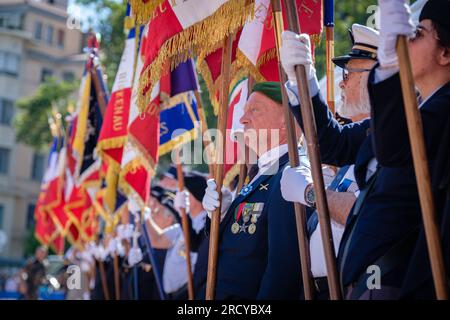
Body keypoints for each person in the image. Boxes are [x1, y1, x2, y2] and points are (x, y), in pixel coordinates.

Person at [280, 23, 379, 299]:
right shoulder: (372, 132)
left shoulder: (404, 127)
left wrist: (311, 192)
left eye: (349, 73)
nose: (341, 82)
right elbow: (331, 143)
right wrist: (305, 81)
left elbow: (361, 212)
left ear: (376, 76)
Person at [368, 0, 450, 299]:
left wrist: (390, 66)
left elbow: (393, 149)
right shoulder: (428, 106)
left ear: (446, 53)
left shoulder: (444, 106)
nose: (407, 41)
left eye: (417, 34)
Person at [200, 82, 309, 299]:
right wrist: (220, 216)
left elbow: (284, 269)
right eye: (245, 111)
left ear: (285, 122)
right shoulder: (263, 171)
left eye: (255, 110)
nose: (242, 120)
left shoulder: (291, 174)